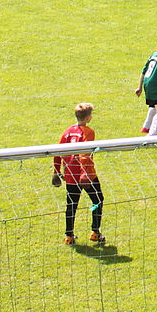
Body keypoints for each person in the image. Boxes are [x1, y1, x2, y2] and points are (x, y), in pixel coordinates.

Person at [53, 102, 105, 246]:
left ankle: (68, 236)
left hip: (70, 175)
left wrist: (56, 172)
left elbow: (57, 151)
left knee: (71, 204)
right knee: (97, 200)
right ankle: (95, 232)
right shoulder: (88, 132)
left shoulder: (68, 131)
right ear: (88, 118)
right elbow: (84, 154)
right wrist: (85, 173)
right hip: (86, 175)